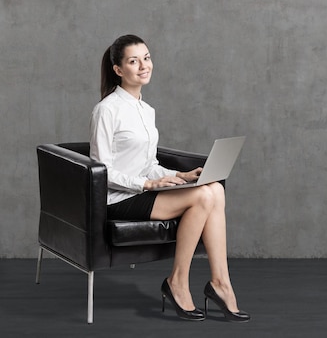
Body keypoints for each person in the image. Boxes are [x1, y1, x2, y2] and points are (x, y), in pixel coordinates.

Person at [89, 34, 250, 322]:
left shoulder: (146, 111)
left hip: (143, 192)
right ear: (118, 69)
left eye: (146, 58)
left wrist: (179, 175)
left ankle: (221, 282)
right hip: (118, 198)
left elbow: (148, 163)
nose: (143, 66)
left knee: (214, 189)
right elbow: (101, 171)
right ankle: (178, 282)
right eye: (133, 61)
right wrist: (148, 184)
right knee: (203, 195)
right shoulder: (106, 110)